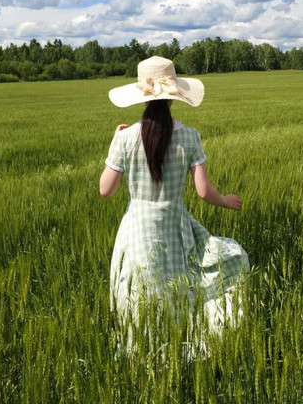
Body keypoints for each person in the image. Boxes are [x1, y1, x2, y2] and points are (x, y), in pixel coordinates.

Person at [100, 56, 249, 336]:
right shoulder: (190, 136)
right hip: (175, 226)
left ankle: (140, 349)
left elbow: (105, 190)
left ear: (142, 98)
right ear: (174, 96)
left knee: (137, 292)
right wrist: (226, 201)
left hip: (136, 229)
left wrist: (114, 141)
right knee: (180, 285)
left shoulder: (125, 138)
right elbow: (204, 192)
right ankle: (181, 340)